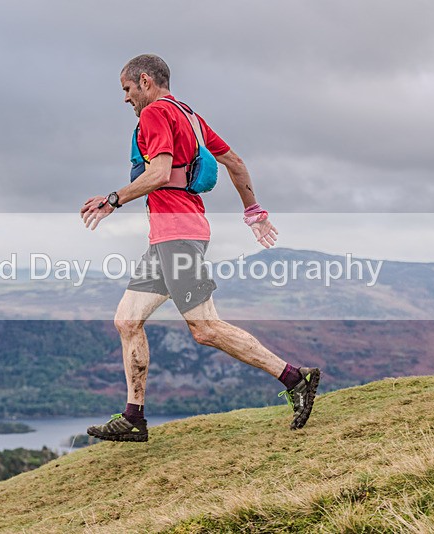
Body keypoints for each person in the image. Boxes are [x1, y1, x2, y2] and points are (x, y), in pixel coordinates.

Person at [80, 54, 319, 442]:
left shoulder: (155, 113)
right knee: (127, 320)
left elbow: (158, 173)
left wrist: (113, 199)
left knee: (206, 328)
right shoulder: (190, 117)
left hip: (177, 235)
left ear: (145, 81)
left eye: (127, 89)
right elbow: (235, 163)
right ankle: (133, 417)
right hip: (171, 236)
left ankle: (296, 378)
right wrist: (254, 213)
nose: (126, 99)